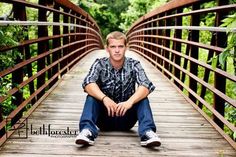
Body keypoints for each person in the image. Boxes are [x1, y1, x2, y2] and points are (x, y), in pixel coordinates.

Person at [75, 31, 161, 147]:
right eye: (113, 47)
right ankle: (87, 131)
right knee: (92, 96)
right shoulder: (99, 64)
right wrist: (104, 98)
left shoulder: (134, 64)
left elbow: (145, 85)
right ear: (107, 49)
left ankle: (147, 133)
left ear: (126, 47)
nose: (117, 50)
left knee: (142, 97)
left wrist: (129, 102)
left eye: (120, 46)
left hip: (127, 118)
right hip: (104, 118)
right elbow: (88, 82)